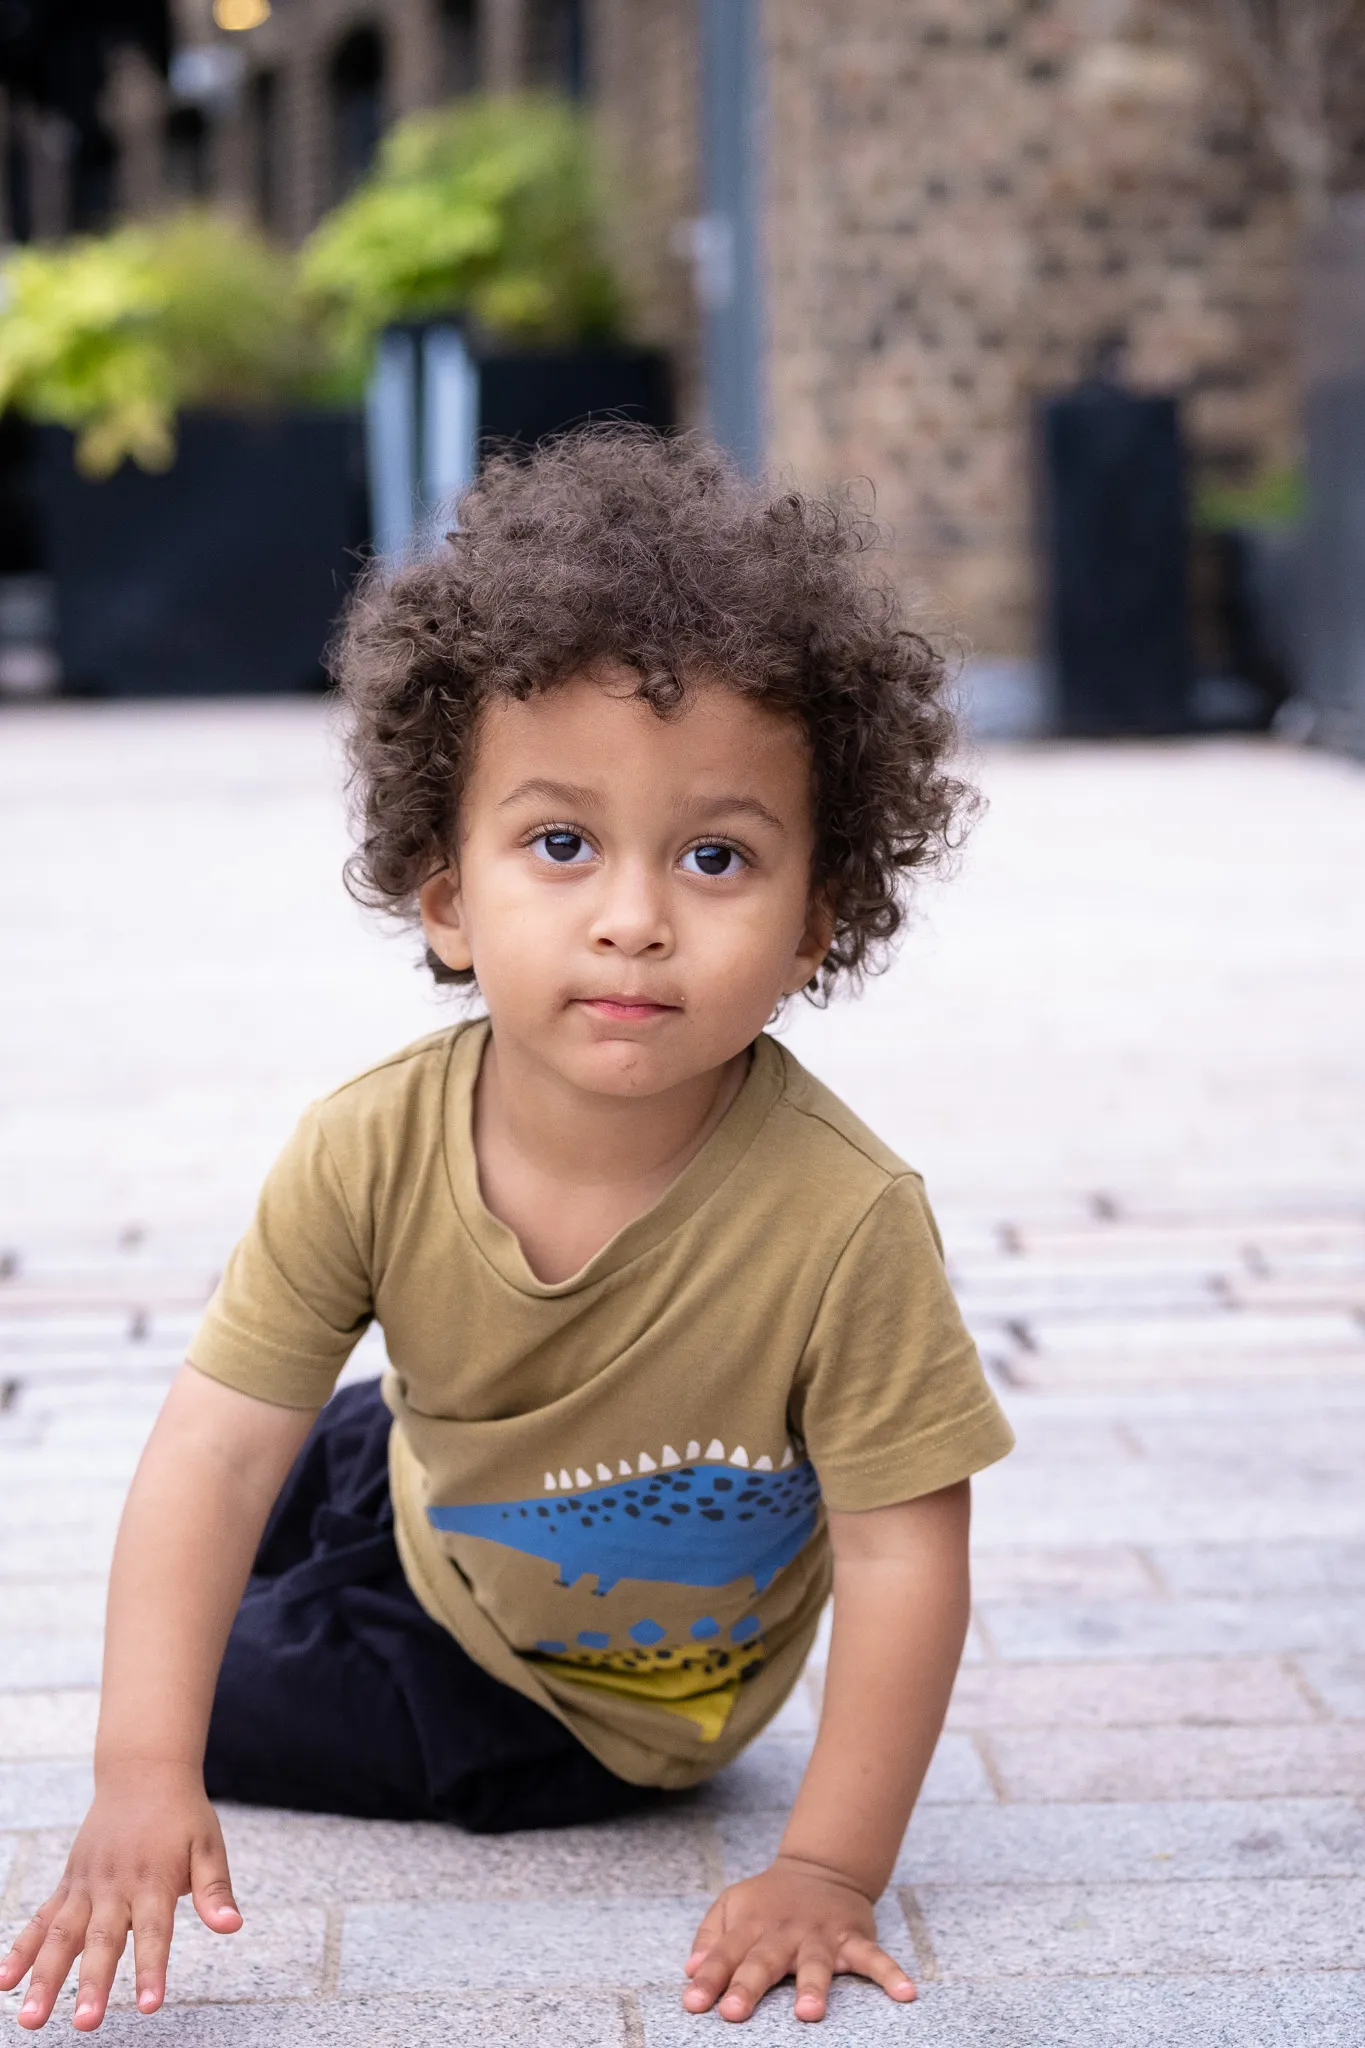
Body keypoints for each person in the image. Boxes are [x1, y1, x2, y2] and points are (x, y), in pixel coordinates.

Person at [1, 431, 1013, 2032]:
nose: (633, 915)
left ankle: (329, 1618)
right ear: (445, 891)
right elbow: (207, 1450)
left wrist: (829, 1863)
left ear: (822, 914)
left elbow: (907, 1551)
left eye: (716, 856)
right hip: (432, 1465)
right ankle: (327, 1562)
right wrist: (136, 1772)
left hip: (567, 1700)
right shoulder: (368, 1144)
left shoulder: (845, 1222)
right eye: (561, 844)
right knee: (293, 1465)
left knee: (249, 1675)